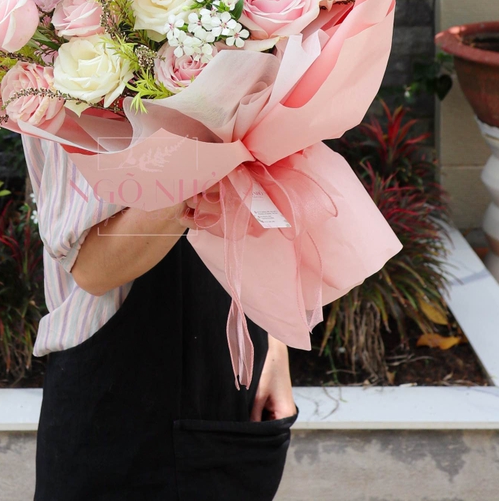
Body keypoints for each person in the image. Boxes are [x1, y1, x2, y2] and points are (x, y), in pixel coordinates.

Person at [25, 137, 298, 501]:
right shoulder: (65, 101)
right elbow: (92, 266)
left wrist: (275, 340)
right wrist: (205, 160)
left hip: (236, 377)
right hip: (118, 399)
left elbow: (261, 187)